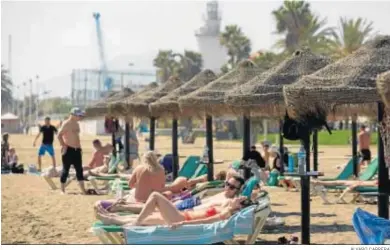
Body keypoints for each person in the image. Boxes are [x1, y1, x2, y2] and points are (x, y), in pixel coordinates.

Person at [96, 176, 246, 215]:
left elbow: (233, 208)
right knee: (152, 207)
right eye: (227, 184)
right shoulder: (222, 193)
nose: (228, 187)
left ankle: (119, 207)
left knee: (153, 208)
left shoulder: (230, 201)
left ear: (237, 191)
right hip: (189, 202)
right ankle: (120, 206)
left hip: (191, 208)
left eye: (232, 187)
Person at [95, 192, 251, 227]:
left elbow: (207, 221)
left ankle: (136, 220)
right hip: (181, 216)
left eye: (240, 200)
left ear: (240, 207)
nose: (237, 197)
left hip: (182, 219)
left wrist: (183, 225)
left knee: (155, 196)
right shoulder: (225, 206)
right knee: (143, 221)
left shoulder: (226, 213)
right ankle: (108, 218)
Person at [57, 107, 86, 194]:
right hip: (68, 149)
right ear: (73, 115)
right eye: (79, 115)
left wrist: (80, 148)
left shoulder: (77, 124)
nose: (80, 117)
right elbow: (59, 135)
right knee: (66, 170)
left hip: (77, 150)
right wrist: (64, 146)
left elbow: (77, 137)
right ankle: (62, 190)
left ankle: (83, 190)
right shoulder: (66, 123)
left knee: (79, 170)